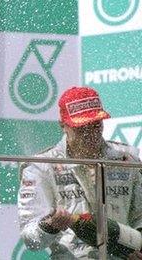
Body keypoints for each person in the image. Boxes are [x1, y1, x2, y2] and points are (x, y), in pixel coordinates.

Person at [18, 86, 142, 259]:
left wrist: (138, 249)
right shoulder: (42, 166)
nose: (91, 134)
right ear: (63, 126)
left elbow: (140, 218)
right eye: (82, 128)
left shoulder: (128, 160)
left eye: (96, 125)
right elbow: (31, 241)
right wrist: (49, 226)